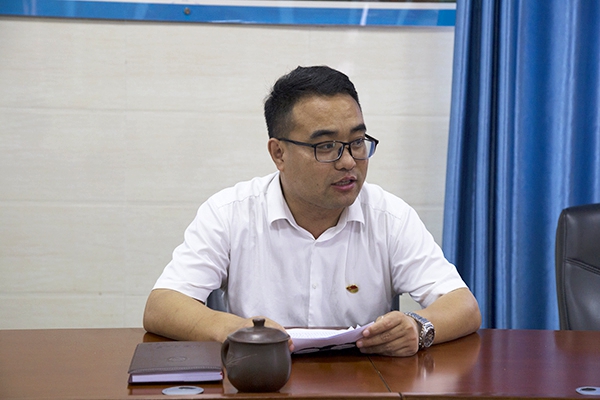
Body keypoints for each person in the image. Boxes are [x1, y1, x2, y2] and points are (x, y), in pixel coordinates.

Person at [143, 65, 481, 357]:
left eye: (357, 142)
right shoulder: (229, 213)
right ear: (279, 153)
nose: (348, 161)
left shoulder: (390, 217)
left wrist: (419, 327)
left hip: (363, 383)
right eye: (326, 146)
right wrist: (235, 328)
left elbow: (463, 305)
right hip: (260, 379)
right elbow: (162, 305)